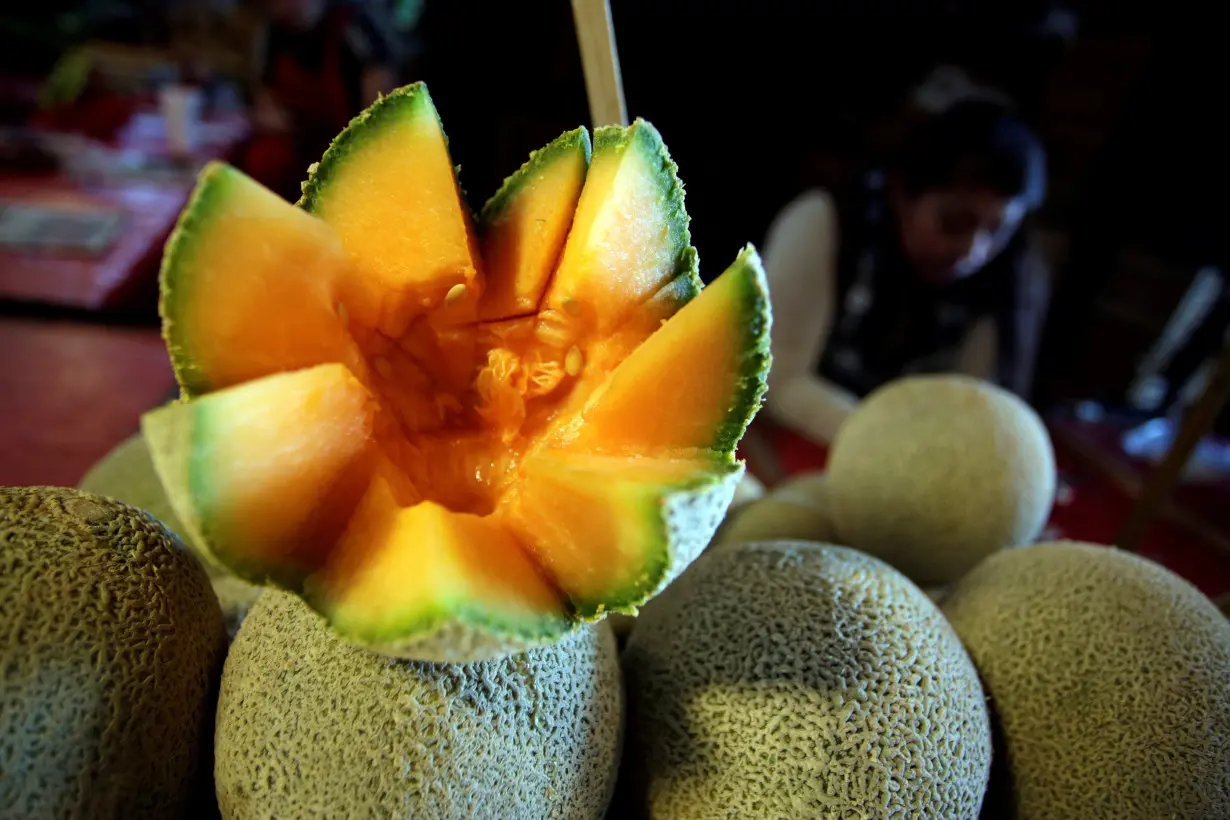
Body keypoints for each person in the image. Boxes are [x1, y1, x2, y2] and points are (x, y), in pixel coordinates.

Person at [760, 95, 1050, 447]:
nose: (973, 252)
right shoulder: (825, 222)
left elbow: (969, 414)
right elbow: (780, 377)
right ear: (903, 194)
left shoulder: (1004, 279)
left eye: (997, 232)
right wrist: (901, 451)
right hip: (784, 438)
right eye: (953, 222)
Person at [241, 0, 398, 198]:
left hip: (350, 152)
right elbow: (265, 96)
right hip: (299, 147)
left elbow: (382, 103)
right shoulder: (273, 35)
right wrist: (269, 115)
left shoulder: (352, 28)